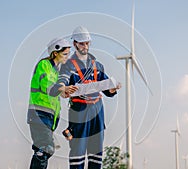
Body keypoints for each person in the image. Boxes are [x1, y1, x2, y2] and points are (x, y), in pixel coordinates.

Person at [58, 26, 121, 169]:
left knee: (96, 152)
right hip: (79, 111)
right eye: (81, 43)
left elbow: (106, 89)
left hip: (98, 111)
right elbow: (62, 82)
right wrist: (63, 88)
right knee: (78, 152)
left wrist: (112, 89)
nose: (85, 46)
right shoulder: (67, 65)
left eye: (87, 43)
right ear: (74, 44)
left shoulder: (97, 65)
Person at [27, 37, 78, 169]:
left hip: (50, 117)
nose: (67, 57)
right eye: (65, 54)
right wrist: (62, 88)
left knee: (45, 149)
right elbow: (46, 85)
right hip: (39, 114)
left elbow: (54, 90)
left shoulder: (57, 71)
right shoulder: (44, 65)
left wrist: (64, 92)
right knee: (45, 148)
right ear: (55, 53)